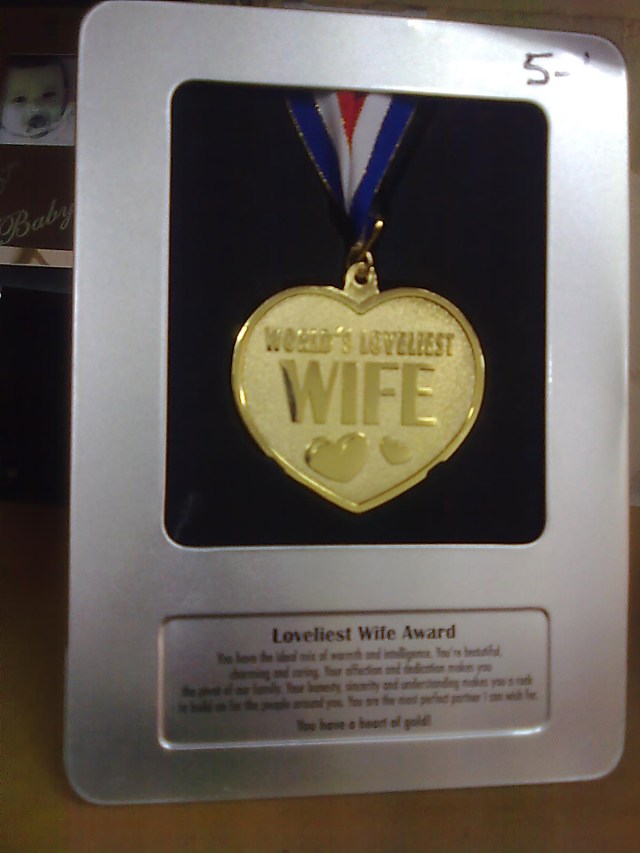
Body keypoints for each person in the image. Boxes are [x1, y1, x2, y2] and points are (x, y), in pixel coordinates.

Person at [0, 56, 75, 146]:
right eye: (19, 99)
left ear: (65, 96)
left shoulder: (74, 126)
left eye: (48, 95)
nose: (35, 107)